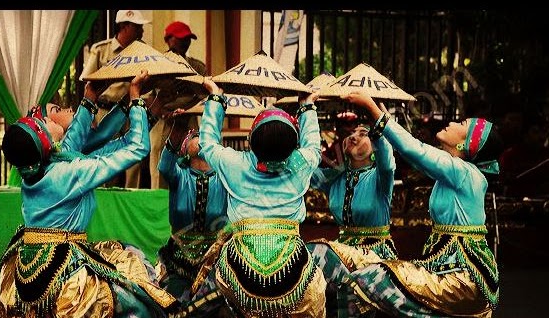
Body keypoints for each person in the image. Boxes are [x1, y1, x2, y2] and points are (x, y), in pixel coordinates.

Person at [0, 71, 178, 317]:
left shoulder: (46, 168)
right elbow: (136, 147)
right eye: (47, 121)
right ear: (45, 140)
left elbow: (83, 138)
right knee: (135, 291)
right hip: (64, 267)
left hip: (36, 258)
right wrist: (135, 98)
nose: (54, 122)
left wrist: (93, 98)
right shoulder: (68, 173)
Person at [341, 91, 502, 317]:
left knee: (369, 279)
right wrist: (382, 118)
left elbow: (415, 150)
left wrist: (374, 110)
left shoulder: (464, 172)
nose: (452, 121)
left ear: (466, 143)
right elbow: (417, 151)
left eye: (462, 123)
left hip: (461, 281)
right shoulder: (455, 172)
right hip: (443, 271)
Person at [197, 77, 327, 317]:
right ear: (293, 146)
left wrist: (216, 97)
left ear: (250, 141)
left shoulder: (234, 163)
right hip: (294, 271)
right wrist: (307, 105)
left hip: (238, 270)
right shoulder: (300, 164)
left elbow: (206, 144)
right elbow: (314, 147)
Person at [307, 109, 398, 316]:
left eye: (363, 133)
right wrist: (306, 114)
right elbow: (304, 173)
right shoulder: (335, 178)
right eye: (352, 133)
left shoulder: (381, 178)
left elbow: (388, 161)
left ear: (374, 145)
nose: (354, 136)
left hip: (375, 255)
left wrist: (377, 123)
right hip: (342, 253)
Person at [155, 111, 231, 316]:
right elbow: (164, 165)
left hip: (214, 261)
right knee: (171, 307)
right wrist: (177, 129)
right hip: (178, 260)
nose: (198, 135)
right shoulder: (178, 176)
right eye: (194, 134)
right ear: (184, 149)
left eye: (204, 135)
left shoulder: (226, 179)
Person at [79, 9, 147, 189]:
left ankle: (130, 195)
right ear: (124, 27)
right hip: (104, 111)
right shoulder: (102, 50)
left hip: (129, 112)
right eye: (137, 27)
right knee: (104, 156)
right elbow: (87, 82)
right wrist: (89, 115)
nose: (142, 31)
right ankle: (105, 195)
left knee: (133, 158)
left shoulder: (142, 52)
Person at [149, 21, 207, 190]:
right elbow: (146, 95)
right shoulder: (154, 64)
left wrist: (186, 110)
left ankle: (188, 200)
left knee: (191, 159)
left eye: (188, 38)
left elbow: (204, 96)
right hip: (161, 120)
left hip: (188, 118)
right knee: (160, 163)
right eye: (181, 38)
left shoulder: (197, 67)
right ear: (168, 39)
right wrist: (161, 110)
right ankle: (159, 203)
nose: (185, 42)